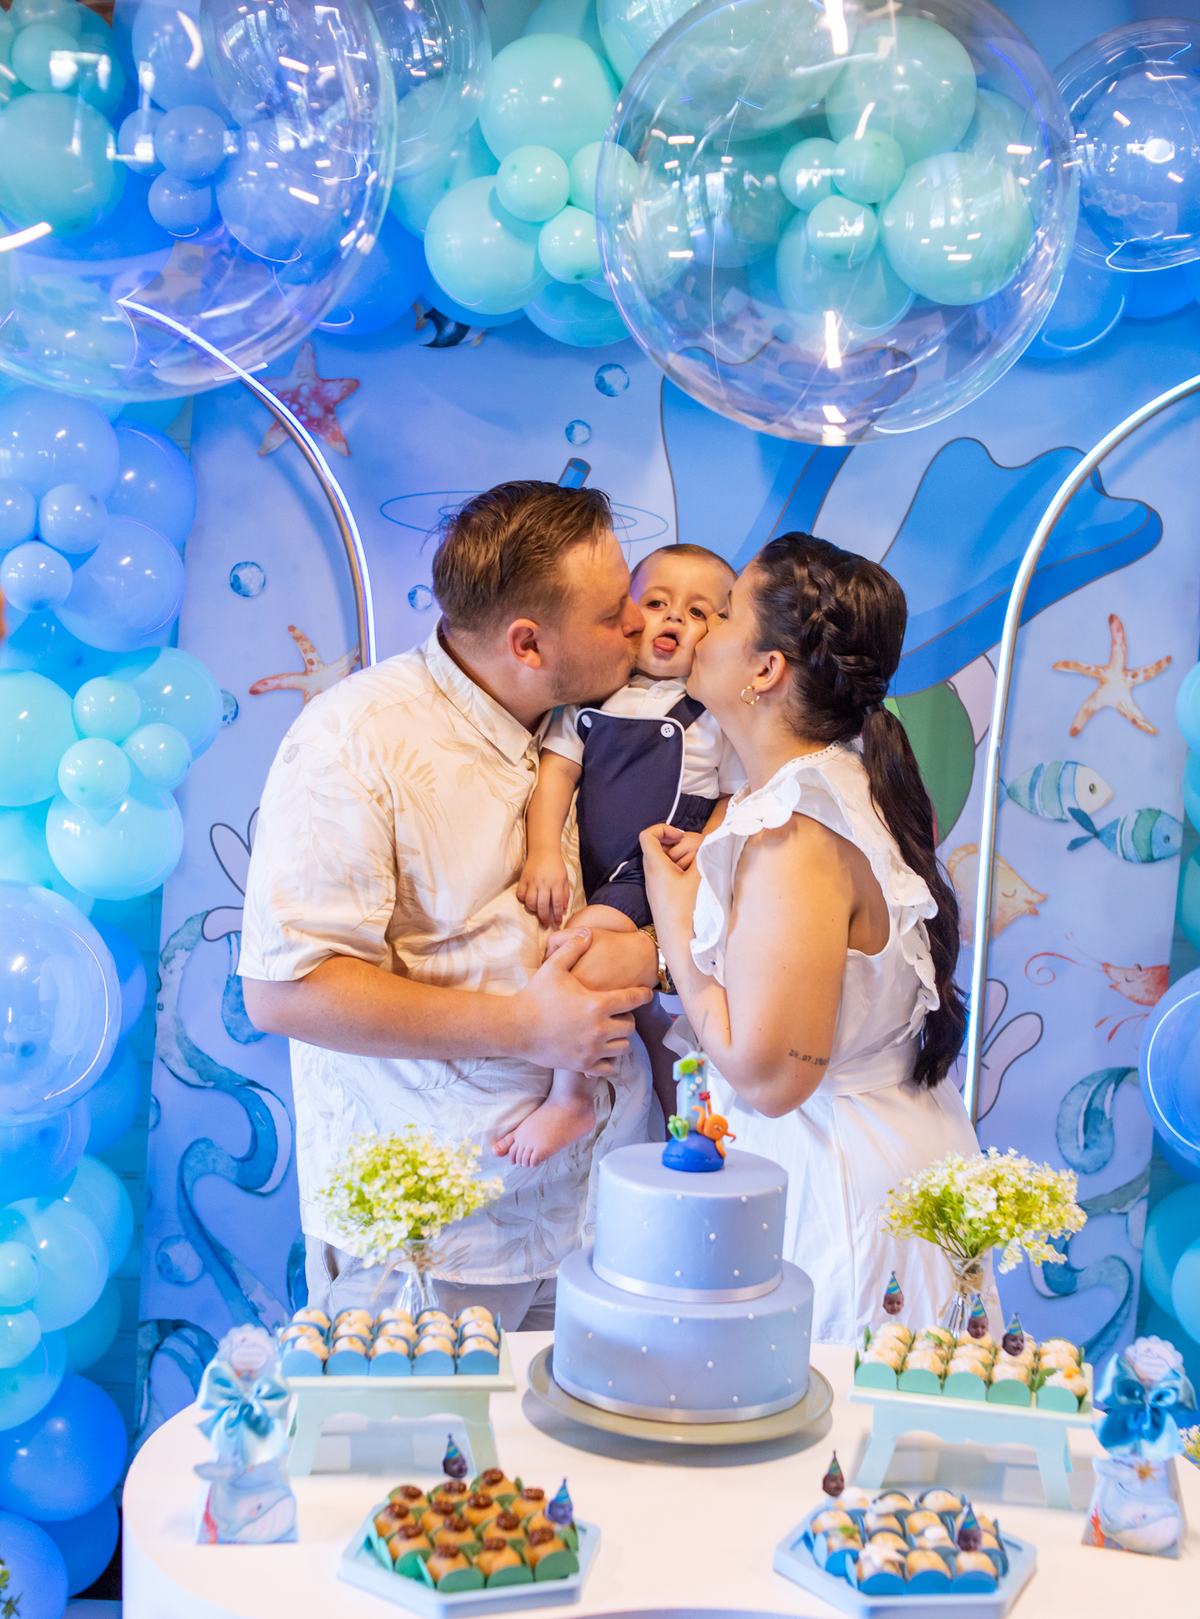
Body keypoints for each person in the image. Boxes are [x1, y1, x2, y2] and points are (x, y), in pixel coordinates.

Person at [239, 481, 657, 1328]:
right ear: (527, 642)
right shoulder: (354, 739)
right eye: (614, 613)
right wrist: (525, 1026)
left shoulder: (612, 719)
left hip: (608, 1210)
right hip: (442, 1235)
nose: (640, 624)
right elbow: (285, 992)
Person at [640, 533, 981, 1344]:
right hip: (872, 1158)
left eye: (724, 613)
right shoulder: (830, 786)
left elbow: (769, 1076)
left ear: (766, 669)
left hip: (835, 1184)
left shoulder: (796, 829)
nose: (700, 630)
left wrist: (674, 916)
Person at [502, 544, 744, 1167]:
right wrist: (542, 854)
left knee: (579, 952)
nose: (673, 618)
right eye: (657, 602)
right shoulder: (588, 702)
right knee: (656, 1027)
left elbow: (734, 797)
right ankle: (682, 1129)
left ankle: (570, 1099)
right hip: (596, 871)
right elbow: (556, 776)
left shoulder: (715, 717)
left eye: (698, 613)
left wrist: (710, 841)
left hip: (653, 870)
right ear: (626, 615)